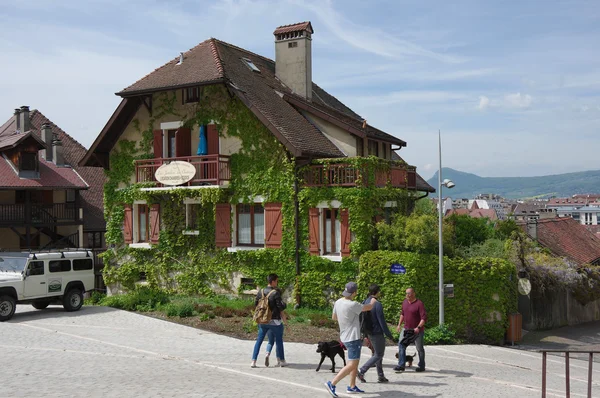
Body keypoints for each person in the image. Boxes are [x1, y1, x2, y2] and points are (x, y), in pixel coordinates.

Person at [324, 282, 377, 397]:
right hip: (352, 338)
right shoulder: (353, 304)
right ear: (354, 293)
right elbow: (369, 307)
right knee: (352, 364)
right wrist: (373, 299)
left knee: (354, 362)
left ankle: (352, 386)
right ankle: (332, 383)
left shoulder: (338, 302)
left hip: (344, 336)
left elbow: (334, 317)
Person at [357, 284, 395, 383]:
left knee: (378, 353)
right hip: (377, 332)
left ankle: (381, 375)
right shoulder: (377, 304)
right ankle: (362, 370)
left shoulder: (365, 301)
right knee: (378, 354)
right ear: (377, 291)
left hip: (369, 332)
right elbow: (381, 321)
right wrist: (389, 335)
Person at [251, 274, 287, 368]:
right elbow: (280, 307)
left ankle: (253, 361)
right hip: (274, 321)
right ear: (273, 281)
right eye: (276, 281)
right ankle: (282, 360)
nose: (277, 283)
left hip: (263, 321)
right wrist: (284, 304)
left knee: (259, 341)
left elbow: (256, 304)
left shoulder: (261, 291)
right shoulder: (275, 293)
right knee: (279, 340)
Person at [394, 287, 427, 373]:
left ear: (413, 294)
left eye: (409, 293)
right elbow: (402, 314)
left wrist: (418, 327)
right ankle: (401, 365)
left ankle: (422, 365)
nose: (407, 295)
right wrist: (399, 325)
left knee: (419, 348)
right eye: (406, 293)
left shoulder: (419, 304)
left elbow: (424, 318)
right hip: (406, 329)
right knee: (401, 344)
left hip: (416, 330)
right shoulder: (404, 302)